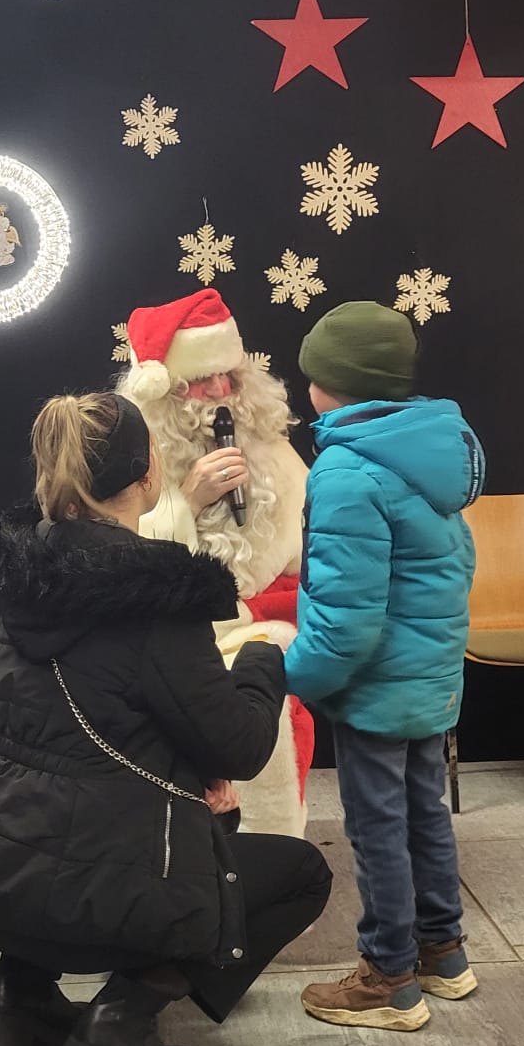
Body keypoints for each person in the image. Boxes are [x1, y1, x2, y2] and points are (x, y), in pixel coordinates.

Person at [0, 391, 332, 1046]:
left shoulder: (25, 578)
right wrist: (262, 659)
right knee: (302, 874)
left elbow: (97, 718)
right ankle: (124, 1021)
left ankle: (21, 993)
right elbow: (242, 746)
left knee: (69, 802)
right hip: (99, 891)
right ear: (149, 472)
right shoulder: (158, 597)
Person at [284, 302, 485, 1033]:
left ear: (329, 383)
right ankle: (444, 954)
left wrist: (288, 679)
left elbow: (346, 620)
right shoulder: (430, 451)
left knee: (378, 831)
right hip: (429, 678)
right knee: (425, 815)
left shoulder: (347, 470)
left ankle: (389, 979)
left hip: (376, 689)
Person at [118, 288, 313, 836]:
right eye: (204, 381)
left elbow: (307, 551)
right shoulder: (134, 458)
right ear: (165, 391)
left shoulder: (270, 446)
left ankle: (271, 845)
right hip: (168, 631)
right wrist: (188, 502)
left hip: (261, 625)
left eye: (230, 376)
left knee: (263, 692)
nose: (222, 392)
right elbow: (123, 557)